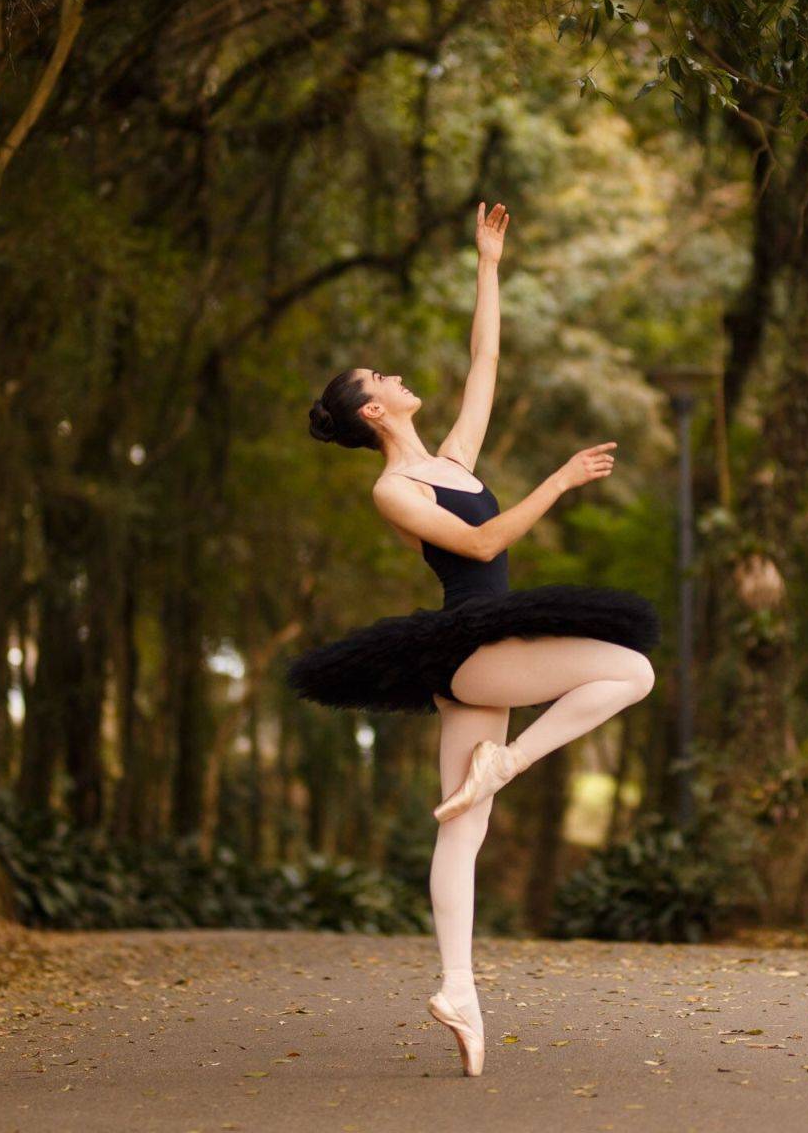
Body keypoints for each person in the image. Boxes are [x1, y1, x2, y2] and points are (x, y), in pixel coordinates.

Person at [287, 201, 661, 1078]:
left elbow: (484, 360)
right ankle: (513, 762)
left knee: (462, 831)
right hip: (470, 648)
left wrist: (488, 266)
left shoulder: (452, 456)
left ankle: (458, 990)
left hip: (473, 664)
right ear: (374, 409)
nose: (401, 376)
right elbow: (487, 546)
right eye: (383, 375)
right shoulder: (393, 488)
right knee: (633, 670)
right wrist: (559, 480)